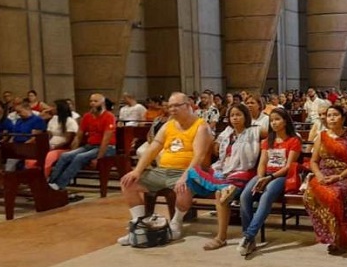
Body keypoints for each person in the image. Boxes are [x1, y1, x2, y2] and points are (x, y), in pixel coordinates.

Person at [118, 92, 211, 244]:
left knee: (184, 187)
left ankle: (176, 222)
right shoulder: (168, 125)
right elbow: (153, 148)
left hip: (186, 171)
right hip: (162, 170)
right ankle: (139, 225)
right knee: (128, 183)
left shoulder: (201, 126)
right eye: (170, 106)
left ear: (188, 106)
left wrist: (185, 176)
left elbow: (199, 156)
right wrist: (137, 171)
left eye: (176, 106)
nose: (172, 109)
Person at [189, 103, 260, 251]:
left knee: (220, 194)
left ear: (246, 117)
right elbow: (216, 145)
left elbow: (276, 131)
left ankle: (221, 237)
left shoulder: (254, 131)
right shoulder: (227, 133)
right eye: (232, 115)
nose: (235, 118)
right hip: (224, 170)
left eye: (238, 115)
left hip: (243, 172)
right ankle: (223, 187)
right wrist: (214, 143)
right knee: (191, 173)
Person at [239, 108, 302, 256]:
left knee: (266, 197)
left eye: (277, 119)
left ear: (285, 121)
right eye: (272, 120)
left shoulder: (294, 140)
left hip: (280, 176)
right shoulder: (267, 141)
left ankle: (248, 236)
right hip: (265, 174)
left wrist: (270, 178)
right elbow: (262, 163)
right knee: (245, 196)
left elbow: (288, 167)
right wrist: (261, 178)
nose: (274, 123)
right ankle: (249, 238)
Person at [304, 105, 347, 254]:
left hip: (345, 175)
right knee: (309, 194)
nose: (331, 118)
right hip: (323, 175)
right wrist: (319, 175)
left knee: (335, 195)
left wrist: (339, 176)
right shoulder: (322, 136)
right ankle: (330, 236)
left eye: (335, 115)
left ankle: (340, 240)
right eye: (329, 115)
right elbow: (314, 161)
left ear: (343, 118)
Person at [48, 94, 116, 191]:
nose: (92, 103)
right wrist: (72, 150)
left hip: (107, 147)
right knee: (65, 156)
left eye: (95, 101)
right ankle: (50, 183)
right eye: (91, 101)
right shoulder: (87, 116)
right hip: (90, 145)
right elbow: (79, 136)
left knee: (80, 157)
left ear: (102, 103)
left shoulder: (109, 116)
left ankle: (59, 185)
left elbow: (106, 140)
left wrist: (98, 158)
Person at [40, 100, 79, 178]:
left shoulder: (70, 121)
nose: (51, 109)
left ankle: (43, 179)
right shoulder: (53, 119)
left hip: (63, 148)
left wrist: (54, 147)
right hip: (50, 146)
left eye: (54, 107)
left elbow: (68, 141)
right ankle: (34, 179)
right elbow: (49, 135)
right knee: (33, 157)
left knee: (48, 156)